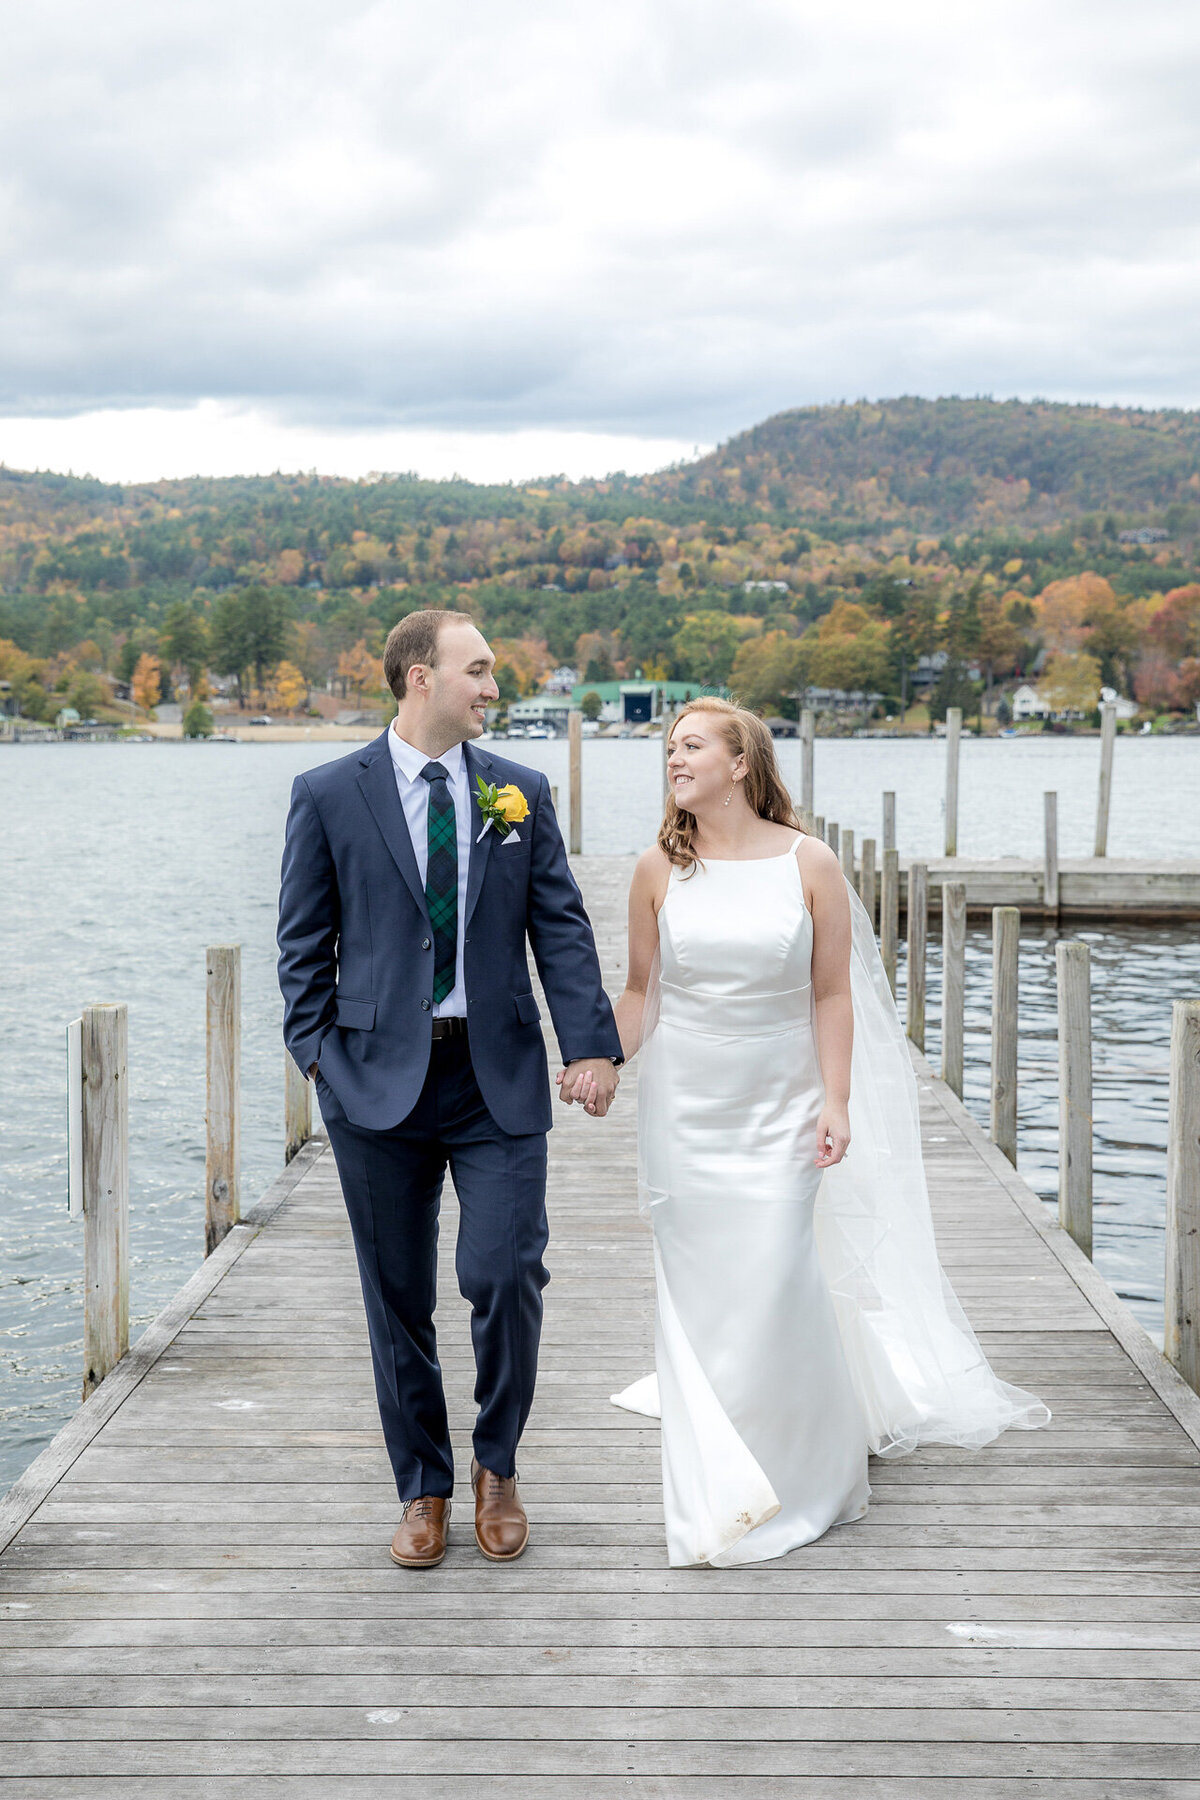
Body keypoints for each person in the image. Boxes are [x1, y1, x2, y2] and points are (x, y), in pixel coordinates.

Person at [587, 698, 1049, 1568]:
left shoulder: (811, 862)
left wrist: (836, 1100)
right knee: (698, 1283)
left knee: (777, 1275)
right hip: (686, 1102)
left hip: (781, 1096)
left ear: (740, 763)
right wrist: (602, 1060)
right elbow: (642, 992)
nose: (674, 761)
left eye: (691, 747)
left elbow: (831, 993)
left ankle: (805, 1471)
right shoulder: (658, 867)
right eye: (670, 749)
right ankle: (714, 1455)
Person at [277, 609, 622, 1569]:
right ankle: (423, 1486)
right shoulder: (326, 793)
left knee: (505, 1271)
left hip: (494, 1074)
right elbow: (302, 947)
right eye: (477, 671)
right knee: (396, 1297)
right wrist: (319, 1061)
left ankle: (498, 1467)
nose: (492, 688)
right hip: (373, 1085)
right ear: (418, 677)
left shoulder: (520, 792)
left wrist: (591, 1046)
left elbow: (561, 925)